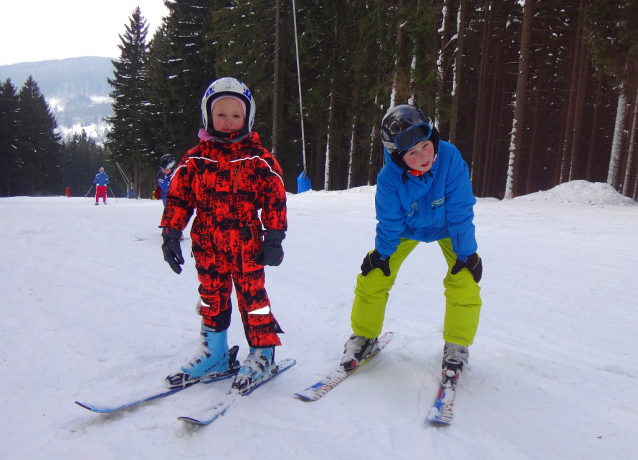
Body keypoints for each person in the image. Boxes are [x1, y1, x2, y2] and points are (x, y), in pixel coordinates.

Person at [339, 104, 483, 391]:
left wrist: (466, 253)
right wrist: (381, 254)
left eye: (426, 146)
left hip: (447, 227)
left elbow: (460, 210)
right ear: (398, 155)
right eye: (413, 153)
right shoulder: (389, 178)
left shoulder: (450, 158)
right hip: (408, 229)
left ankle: (457, 345)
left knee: (464, 276)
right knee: (374, 275)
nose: (424, 156)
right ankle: (364, 336)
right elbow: (390, 221)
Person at [160, 77, 288, 393]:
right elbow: (178, 197)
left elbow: (275, 196)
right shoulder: (195, 158)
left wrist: (274, 237)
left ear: (247, 118)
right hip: (206, 244)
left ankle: (262, 352)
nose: (228, 122)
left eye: (236, 115)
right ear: (208, 117)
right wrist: (171, 233)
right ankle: (214, 352)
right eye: (221, 115)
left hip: (246, 244)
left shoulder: (258, 158)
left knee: (253, 299)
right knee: (211, 296)